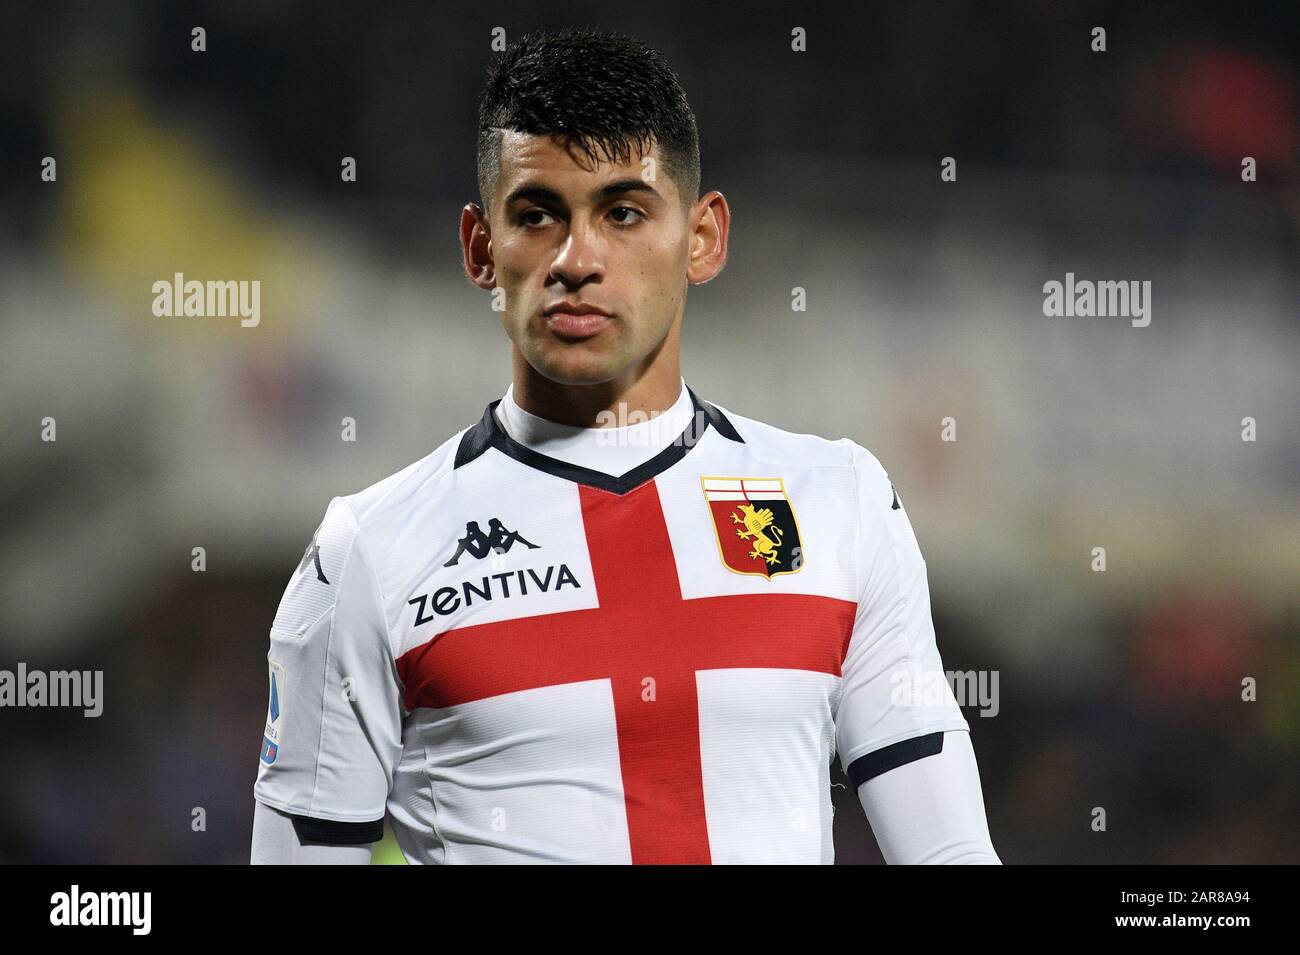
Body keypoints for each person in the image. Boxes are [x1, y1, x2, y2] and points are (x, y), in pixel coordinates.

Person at [251, 26, 999, 864]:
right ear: (480, 248)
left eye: (623, 212)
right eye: (537, 215)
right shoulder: (364, 556)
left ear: (704, 238)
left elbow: (949, 854)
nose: (578, 259)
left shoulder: (841, 501)